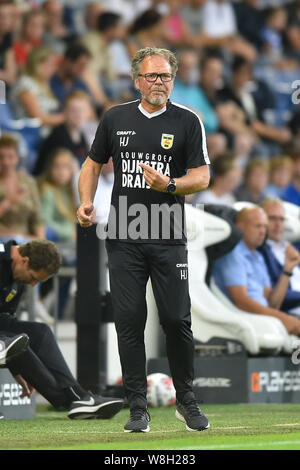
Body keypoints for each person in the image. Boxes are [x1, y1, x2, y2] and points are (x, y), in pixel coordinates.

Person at [77, 46, 211, 433]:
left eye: (166, 76)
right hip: (124, 235)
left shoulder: (188, 121)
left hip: (168, 234)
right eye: (152, 76)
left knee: (176, 320)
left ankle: (186, 399)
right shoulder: (115, 118)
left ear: (173, 79)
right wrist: (86, 201)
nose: (159, 83)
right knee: (129, 321)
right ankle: (138, 408)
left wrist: (169, 183)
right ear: (137, 80)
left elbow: (201, 177)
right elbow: (92, 163)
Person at [0, 239, 124, 420]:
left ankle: (77, 399)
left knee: (39, 333)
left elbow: (6, 323)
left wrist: (16, 368)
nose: (33, 284)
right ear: (24, 260)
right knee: (10, 339)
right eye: (34, 277)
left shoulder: (16, 275)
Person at [213, 206, 300, 335]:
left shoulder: (258, 256)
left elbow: (272, 304)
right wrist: (284, 319)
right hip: (245, 320)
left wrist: (287, 269)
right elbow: (242, 302)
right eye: (258, 226)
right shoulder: (232, 253)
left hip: (264, 319)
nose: (263, 232)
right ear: (240, 226)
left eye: (265, 227)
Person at [260, 198, 300, 317]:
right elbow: (275, 297)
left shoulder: (287, 246)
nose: (278, 224)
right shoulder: (261, 250)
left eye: (282, 219)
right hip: (291, 313)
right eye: (272, 218)